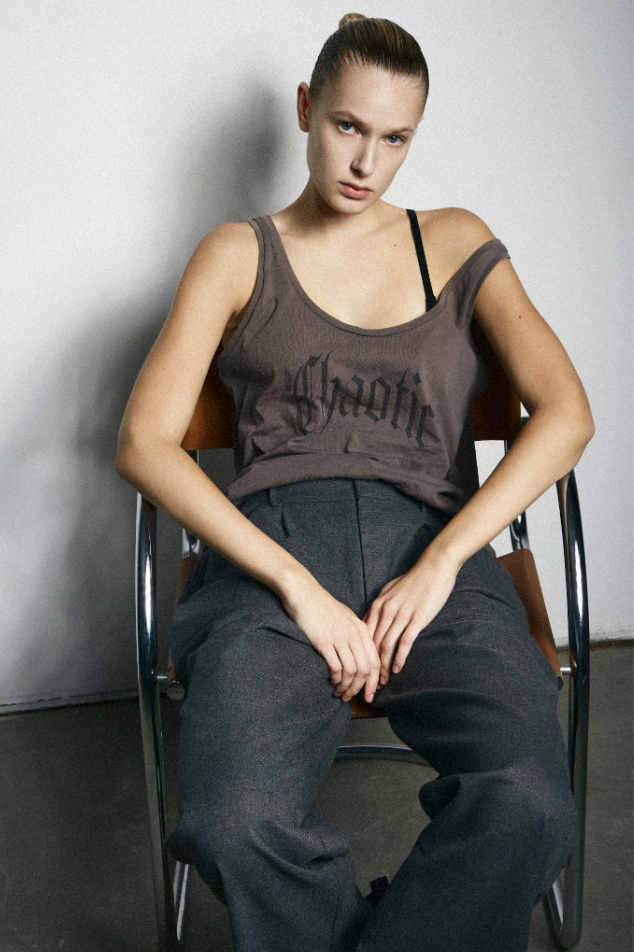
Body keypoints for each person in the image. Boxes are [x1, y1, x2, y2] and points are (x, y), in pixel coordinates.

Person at [116, 14, 594, 952]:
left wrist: (444, 562)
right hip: (274, 556)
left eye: (395, 137)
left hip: (434, 553)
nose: (367, 162)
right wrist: (298, 588)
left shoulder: (454, 242)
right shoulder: (237, 253)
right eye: (347, 125)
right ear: (306, 107)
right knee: (231, 822)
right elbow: (144, 442)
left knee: (531, 800)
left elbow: (566, 411)